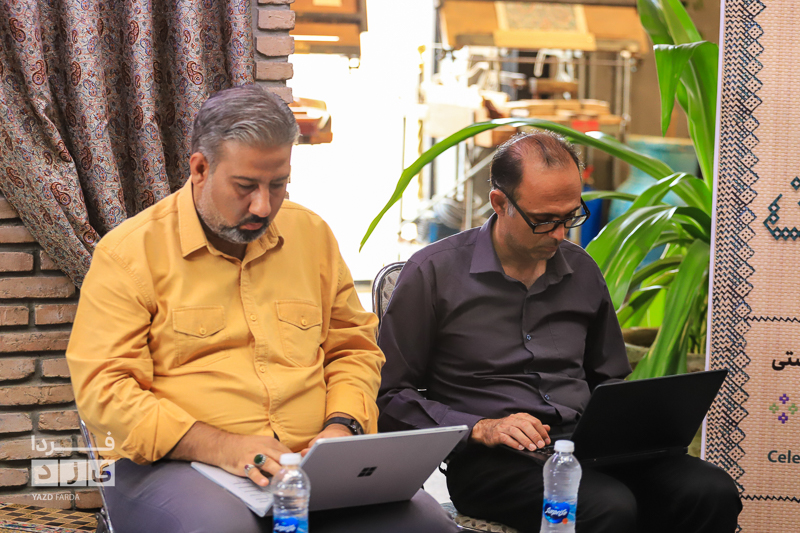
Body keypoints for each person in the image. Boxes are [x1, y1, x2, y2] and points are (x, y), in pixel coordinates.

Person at [66, 85, 458, 533]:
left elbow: (353, 350)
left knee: (428, 524)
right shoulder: (129, 253)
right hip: (171, 463)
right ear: (200, 168)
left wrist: (342, 427)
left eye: (278, 184)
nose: (263, 205)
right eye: (245, 186)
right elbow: (105, 390)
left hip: (305, 463)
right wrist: (220, 446)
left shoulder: (311, 235)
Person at [377, 131, 742, 533]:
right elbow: (390, 396)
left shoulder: (581, 269)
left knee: (710, 490)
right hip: (492, 462)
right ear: (499, 203)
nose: (560, 234)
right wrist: (481, 427)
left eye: (570, 216)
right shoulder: (433, 273)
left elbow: (608, 379)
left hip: (585, 447)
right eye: (544, 220)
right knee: (607, 507)